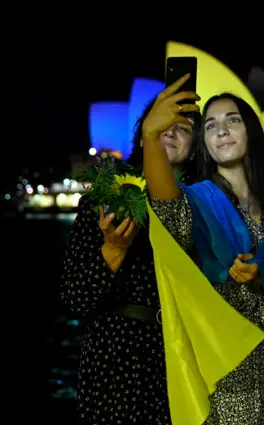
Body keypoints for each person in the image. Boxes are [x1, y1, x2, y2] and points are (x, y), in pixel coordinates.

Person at [142, 75, 264, 424]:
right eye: (210, 125)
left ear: (251, 132)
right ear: (204, 144)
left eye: (233, 120)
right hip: (228, 381)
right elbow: (165, 212)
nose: (222, 130)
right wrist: (152, 137)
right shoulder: (196, 203)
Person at [60, 98, 199, 425]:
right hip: (119, 358)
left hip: (187, 353)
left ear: (196, 147)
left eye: (183, 128)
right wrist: (115, 248)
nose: (170, 133)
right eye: (161, 124)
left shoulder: (209, 205)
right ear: (142, 136)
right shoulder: (105, 198)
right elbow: (76, 298)